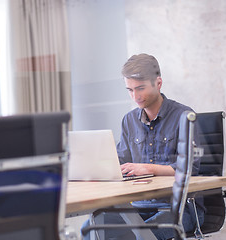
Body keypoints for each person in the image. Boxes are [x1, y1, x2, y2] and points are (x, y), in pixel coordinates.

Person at [82, 54, 205, 240]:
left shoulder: (184, 116)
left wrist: (146, 168)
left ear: (158, 83)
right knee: (90, 229)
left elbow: (190, 168)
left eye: (140, 88)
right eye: (130, 90)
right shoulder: (129, 120)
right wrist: (97, 168)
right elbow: (121, 161)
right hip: (138, 206)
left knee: (137, 236)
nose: (135, 96)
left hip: (180, 208)